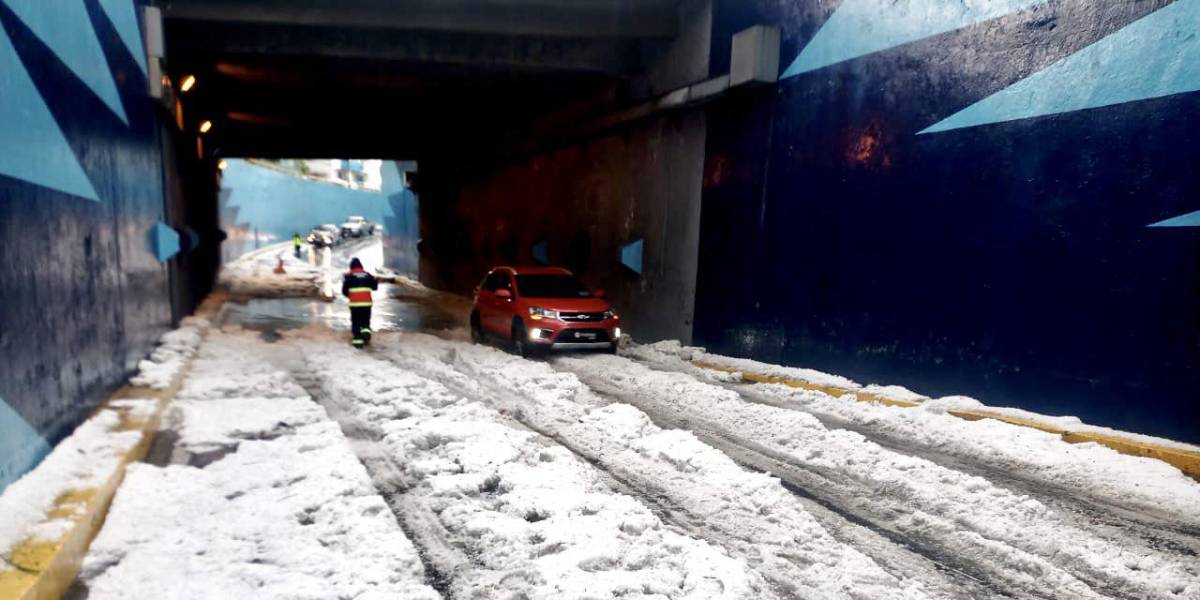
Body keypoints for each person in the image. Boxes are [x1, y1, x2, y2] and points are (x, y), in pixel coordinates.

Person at [342, 258, 378, 349]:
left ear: (351, 267)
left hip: (355, 305)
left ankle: (358, 341)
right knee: (366, 320)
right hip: (367, 304)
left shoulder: (349, 276)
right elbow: (375, 287)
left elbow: (344, 291)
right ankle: (366, 333)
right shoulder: (367, 275)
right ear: (361, 266)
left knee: (356, 322)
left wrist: (351, 296)